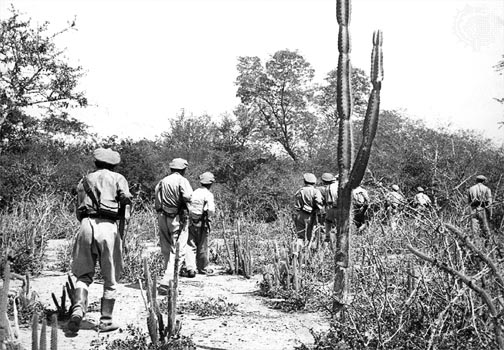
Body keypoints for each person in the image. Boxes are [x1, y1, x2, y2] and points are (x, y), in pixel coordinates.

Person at [69, 148, 132, 333]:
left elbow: (78, 210)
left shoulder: (85, 180)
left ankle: (78, 309)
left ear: (95, 163)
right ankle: (105, 320)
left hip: (86, 225)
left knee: (83, 275)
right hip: (108, 226)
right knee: (110, 277)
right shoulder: (118, 178)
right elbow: (126, 201)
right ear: (113, 164)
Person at [155, 158, 193, 285]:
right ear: (183, 169)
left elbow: (157, 199)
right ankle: (168, 280)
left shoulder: (162, 181)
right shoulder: (182, 181)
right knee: (178, 249)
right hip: (176, 218)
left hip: (162, 216)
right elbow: (188, 197)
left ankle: (167, 274)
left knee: (166, 248)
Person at [187, 172, 216, 275]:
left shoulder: (194, 192)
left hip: (190, 222)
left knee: (190, 245)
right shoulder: (208, 194)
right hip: (202, 223)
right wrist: (208, 216)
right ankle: (203, 267)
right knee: (202, 246)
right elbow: (211, 210)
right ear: (211, 183)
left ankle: (190, 268)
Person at [293, 173, 323, 247]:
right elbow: (319, 203)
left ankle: (297, 253)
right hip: (311, 215)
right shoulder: (315, 191)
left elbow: (296, 205)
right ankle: (309, 255)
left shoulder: (300, 191)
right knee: (311, 236)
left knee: (300, 236)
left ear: (305, 181)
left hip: (300, 214)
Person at [320, 172, 338, 247]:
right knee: (336, 228)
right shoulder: (338, 185)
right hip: (339, 208)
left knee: (329, 227)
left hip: (330, 208)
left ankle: (329, 246)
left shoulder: (328, 187)